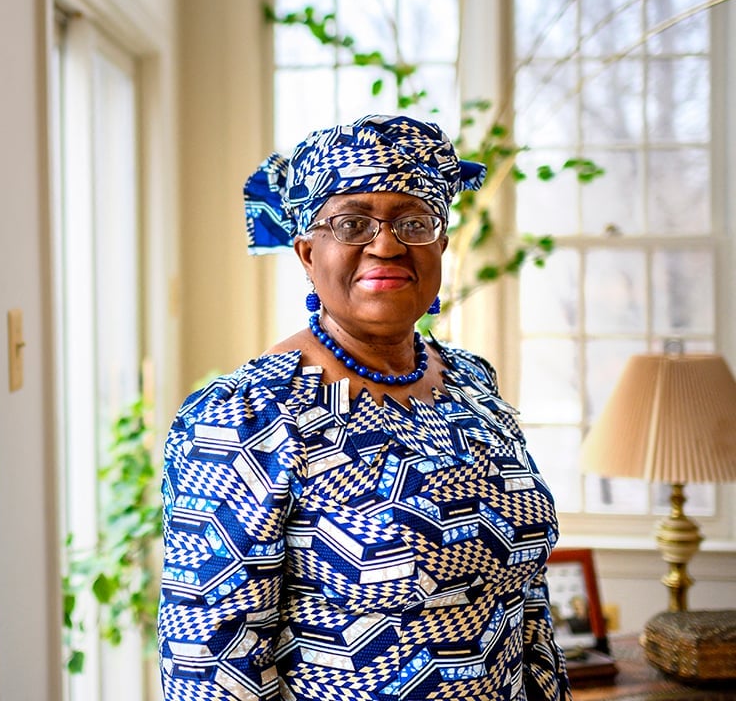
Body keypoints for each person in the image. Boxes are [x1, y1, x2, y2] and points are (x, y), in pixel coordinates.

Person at [156, 114, 572, 701]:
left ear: (441, 246)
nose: (386, 244)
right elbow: (212, 667)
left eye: (414, 221)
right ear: (306, 252)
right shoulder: (245, 417)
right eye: (352, 223)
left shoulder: (472, 384)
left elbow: (529, 606)